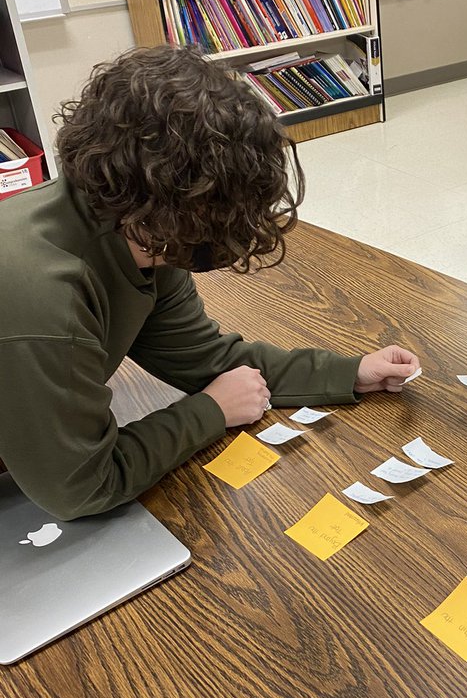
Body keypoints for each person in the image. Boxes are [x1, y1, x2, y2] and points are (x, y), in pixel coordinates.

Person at [0, 46, 419, 520]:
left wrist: (349, 372)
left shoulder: (139, 225)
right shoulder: (43, 297)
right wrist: (210, 412)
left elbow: (208, 360)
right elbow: (79, 486)